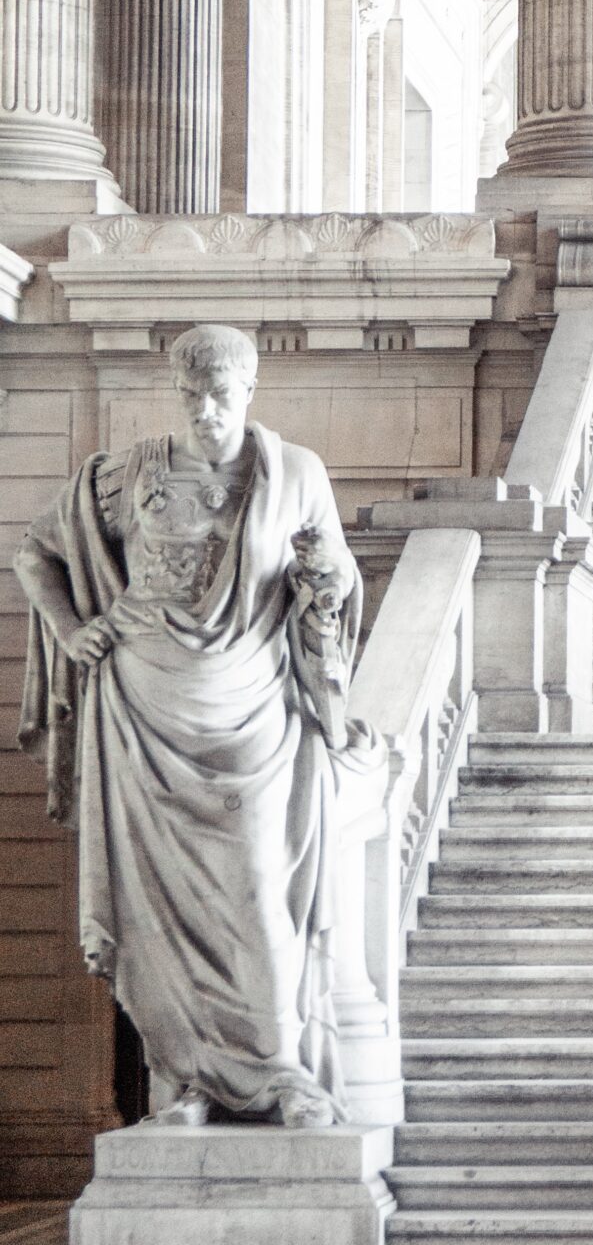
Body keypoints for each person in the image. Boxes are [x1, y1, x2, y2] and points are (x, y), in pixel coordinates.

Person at [14, 322, 363, 1126]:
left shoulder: (295, 475)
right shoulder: (124, 476)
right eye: (191, 395)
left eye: (221, 395)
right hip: (142, 714)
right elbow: (36, 553)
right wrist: (72, 629)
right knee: (158, 919)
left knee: (256, 896)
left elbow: (337, 571)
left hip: (252, 723)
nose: (205, 410)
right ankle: (189, 1082)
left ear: (249, 393)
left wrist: (324, 582)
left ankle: (281, 1074)